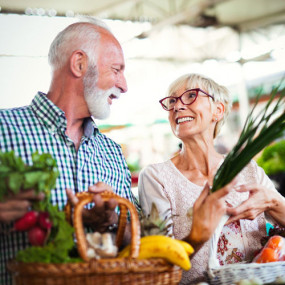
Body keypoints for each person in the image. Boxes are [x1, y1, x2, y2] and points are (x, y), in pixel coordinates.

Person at [0, 19, 139, 284]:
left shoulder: (111, 151)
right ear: (79, 64)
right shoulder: (3, 129)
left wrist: (110, 220)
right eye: (116, 70)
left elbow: (137, 238)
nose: (124, 85)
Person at [138, 73, 285, 284]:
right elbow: (159, 266)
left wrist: (274, 202)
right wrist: (197, 236)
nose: (177, 107)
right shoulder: (156, 177)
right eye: (172, 101)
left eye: (190, 96)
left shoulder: (247, 168)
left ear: (218, 110)